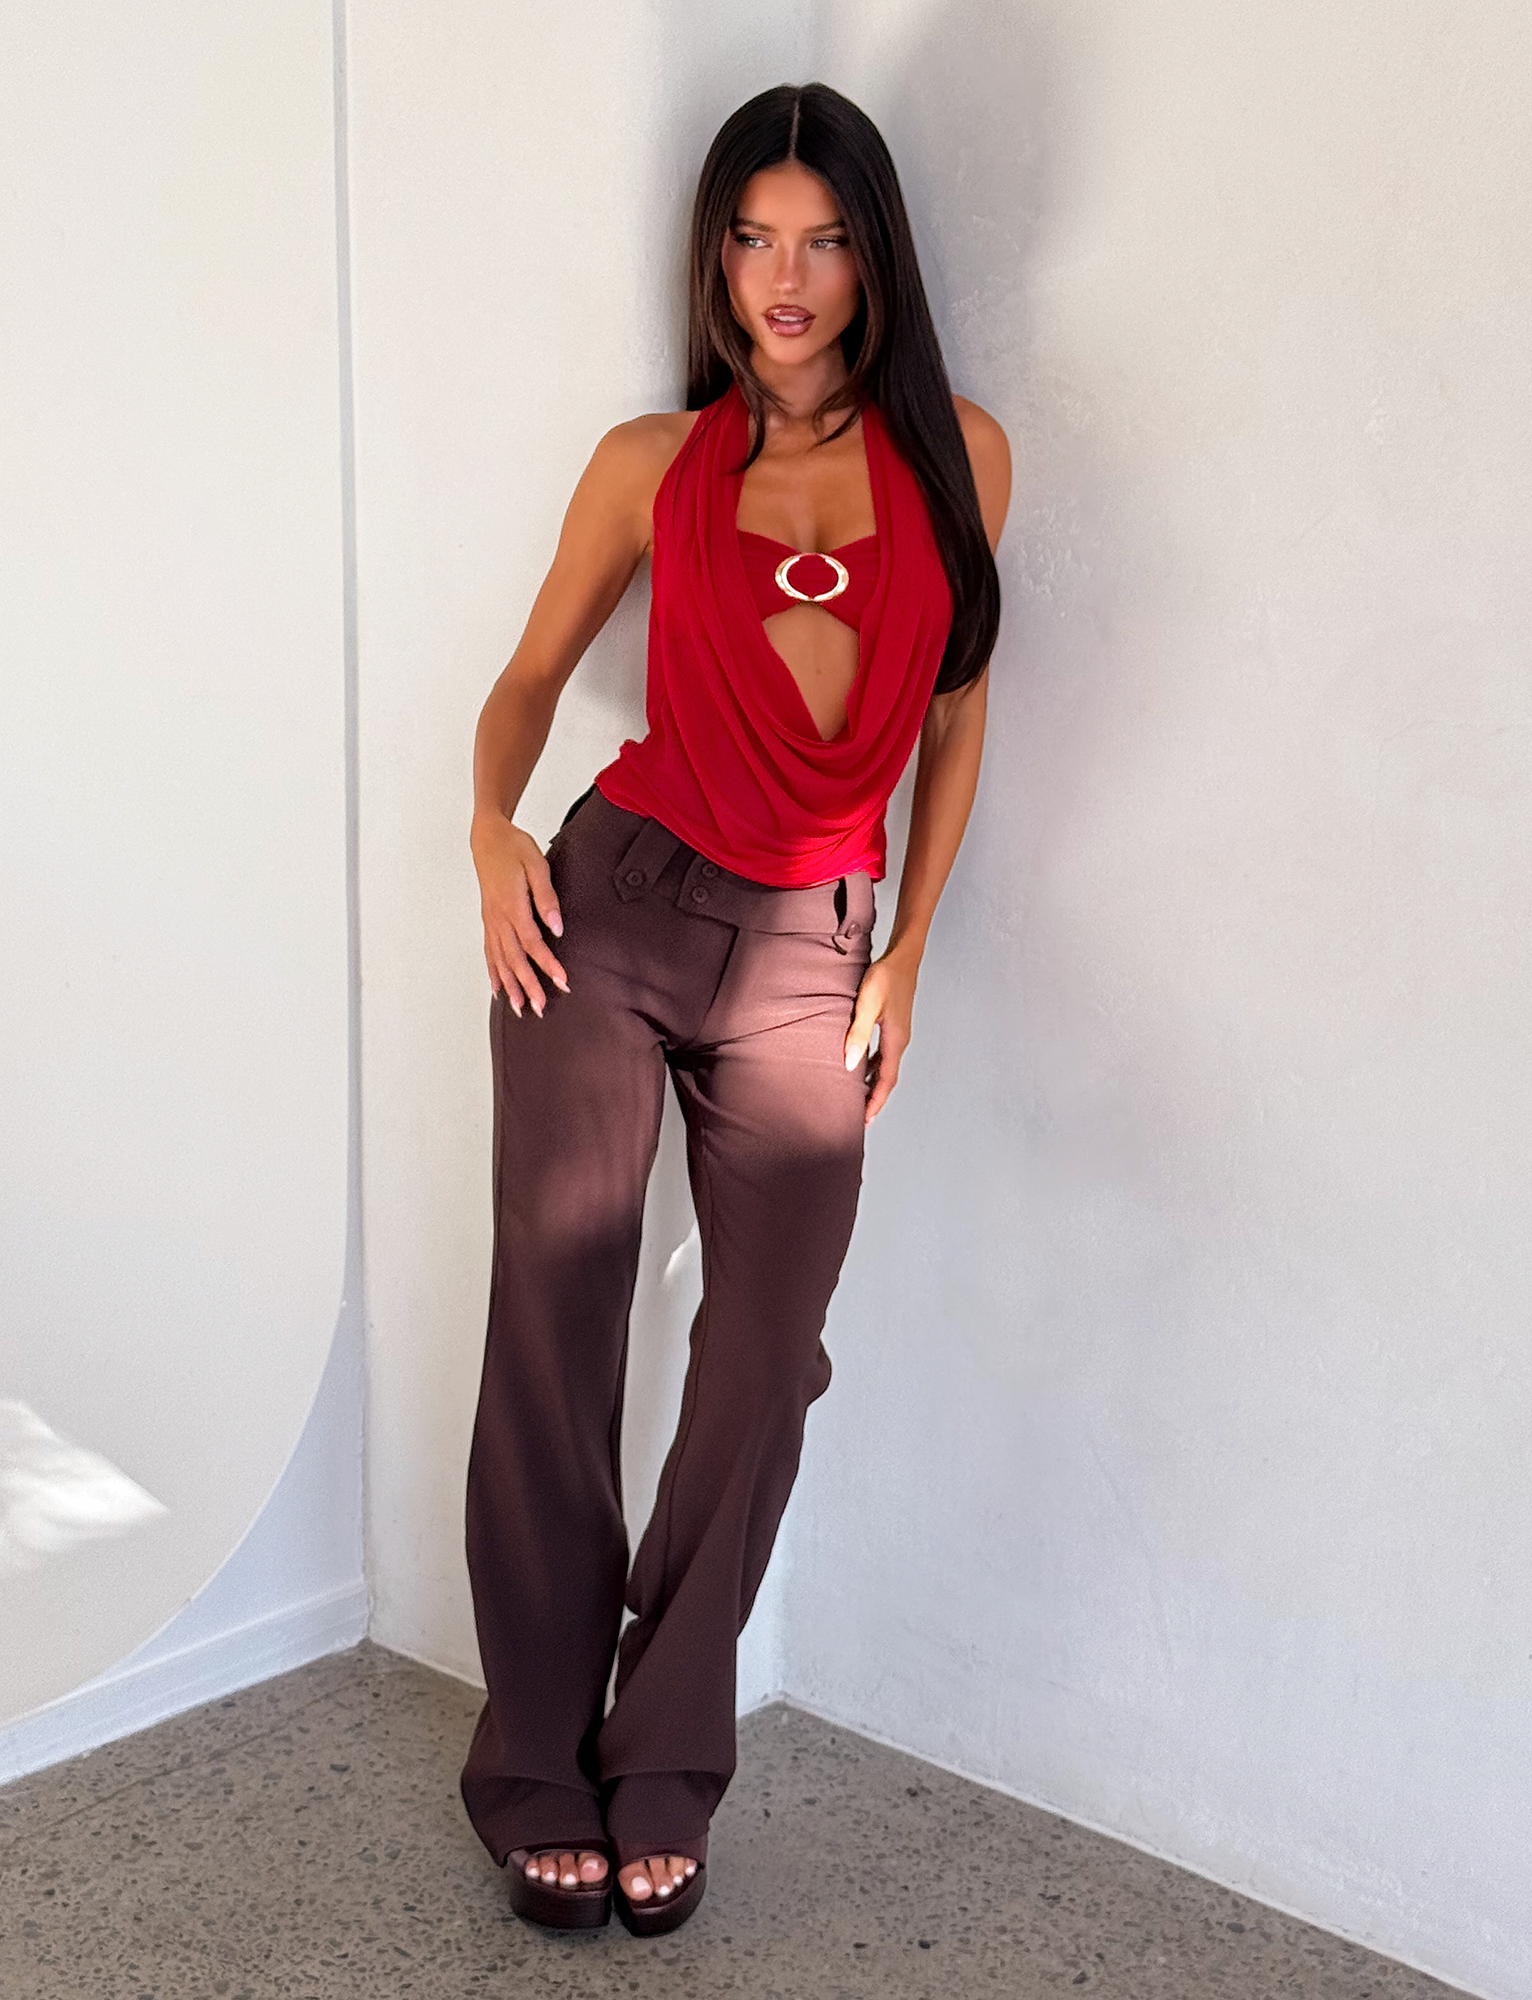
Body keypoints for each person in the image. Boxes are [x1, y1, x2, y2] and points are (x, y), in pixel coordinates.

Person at [459, 80, 1010, 1938]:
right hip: (609, 911)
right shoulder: (649, 462)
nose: (788, 277)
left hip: (813, 953)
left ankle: (664, 1750)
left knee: (765, 1357)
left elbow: (956, 710)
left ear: (875, 257)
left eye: (825, 237)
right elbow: (531, 678)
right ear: (717, 255)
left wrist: (911, 942)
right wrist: (485, 834)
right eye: (757, 236)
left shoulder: (962, 457)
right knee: (558, 1319)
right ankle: (536, 1756)